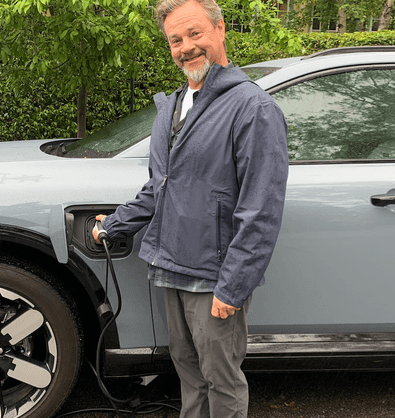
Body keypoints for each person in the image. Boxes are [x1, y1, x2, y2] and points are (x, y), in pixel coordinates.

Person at [93, 0, 288, 416]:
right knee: (188, 372)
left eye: (195, 34)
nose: (186, 47)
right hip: (171, 265)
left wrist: (233, 286)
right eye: (175, 40)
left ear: (219, 31)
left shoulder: (253, 109)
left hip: (213, 276)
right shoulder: (174, 106)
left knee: (221, 378)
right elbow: (161, 186)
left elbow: (261, 210)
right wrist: (115, 224)